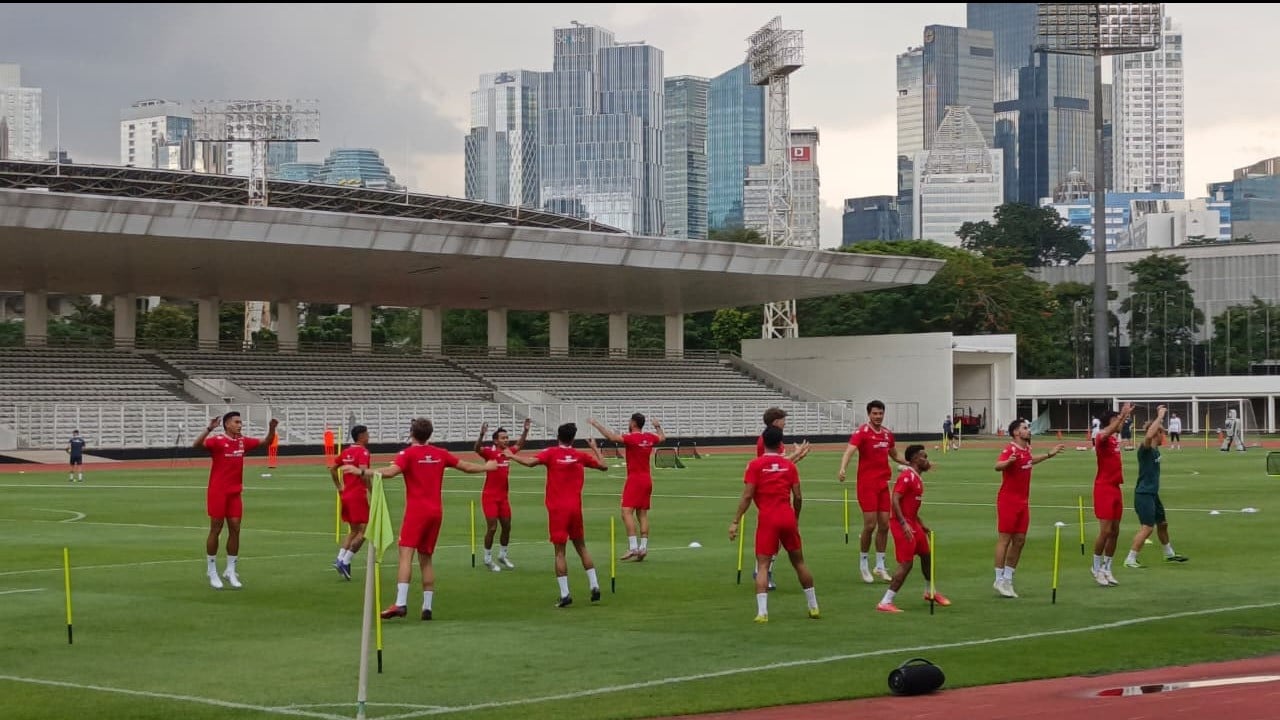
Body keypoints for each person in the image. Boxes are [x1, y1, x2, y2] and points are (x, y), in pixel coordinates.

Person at [344, 418, 496, 621]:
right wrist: (487, 467)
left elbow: (389, 472)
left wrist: (362, 471)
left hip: (416, 512)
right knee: (426, 559)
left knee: (405, 555)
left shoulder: (407, 454)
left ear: (411, 433)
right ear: (430, 434)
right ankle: (427, 607)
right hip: (436, 512)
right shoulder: (440, 453)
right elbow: (466, 466)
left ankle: (400, 603)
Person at [507, 422, 608, 608]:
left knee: (560, 552)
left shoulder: (551, 453)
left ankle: (565, 594)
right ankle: (594, 585)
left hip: (557, 510)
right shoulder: (579, 455)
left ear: (558, 437)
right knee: (582, 547)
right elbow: (604, 466)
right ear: (573, 438)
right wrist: (594, 447)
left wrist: (512, 455)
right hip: (575, 508)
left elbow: (530, 463)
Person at [728, 426, 820, 623]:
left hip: (768, 518)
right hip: (787, 516)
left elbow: (747, 496)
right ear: (780, 444)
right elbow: (798, 496)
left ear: (764, 443)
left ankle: (762, 612)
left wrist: (735, 521)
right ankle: (813, 607)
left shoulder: (755, 465)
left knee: (763, 565)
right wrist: (796, 517)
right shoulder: (789, 466)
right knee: (799, 563)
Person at [193, 412, 279, 590]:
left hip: (234, 492)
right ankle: (211, 570)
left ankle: (231, 569)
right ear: (227, 424)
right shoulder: (217, 441)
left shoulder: (242, 442)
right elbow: (196, 445)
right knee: (216, 528)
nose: (240, 425)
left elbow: (266, 442)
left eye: (241, 422)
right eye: (237, 422)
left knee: (235, 528)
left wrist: (272, 428)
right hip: (218, 492)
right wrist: (209, 428)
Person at [992, 419, 1064, 598]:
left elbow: (1030, 461)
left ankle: (1008, 578)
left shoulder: (1026, 450)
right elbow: (997, 466)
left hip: (1023, 502)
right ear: (1016, 432)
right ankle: (998, 579)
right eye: (1025, 428)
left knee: (1020, 540)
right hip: (1008, 501)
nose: (1028, 430)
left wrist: (1048, 455)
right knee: (1004, 540)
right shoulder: (1010, 449)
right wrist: (1008, 462)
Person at [837, 400, 906, 584]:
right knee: (870, 525)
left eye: (880, 413)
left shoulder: (887, 434)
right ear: (869, 414)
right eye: (875, 413)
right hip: (867, 485)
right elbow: (849, 451)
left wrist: (910, 463)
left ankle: (880, 565)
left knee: (884, 525)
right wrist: (843, 468)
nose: (878, 416)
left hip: (883, 485)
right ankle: (863, 564)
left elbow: (894, 455)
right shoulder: (862, 432)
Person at [877, 444, 950, 613]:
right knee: (906, 563)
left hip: (912, 522)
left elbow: (910, 507)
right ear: (915, 459)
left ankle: (930, 591)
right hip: (901, 524)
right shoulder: (907, 477)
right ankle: (885, 601)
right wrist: (904, 524)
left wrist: (921, 525)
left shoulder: (917, 478)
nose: (927, 460)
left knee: (926, 555)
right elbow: (895, 499)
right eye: (924, 457)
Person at [589, 414, 665, 562]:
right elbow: (662, 438)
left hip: (634, 479)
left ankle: (633, 547)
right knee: (642, 514)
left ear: (634, 423)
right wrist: (657, 426)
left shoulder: (631, 438)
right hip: (647, 479)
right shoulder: (649, 437)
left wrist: (596, 424)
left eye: (630, 421)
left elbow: (611, 437)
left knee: (626, 512)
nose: (628, 423)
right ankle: (643, 548)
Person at [1124, 406, 1190, 568]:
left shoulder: (1156, 451)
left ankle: (1169, 554)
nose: (1164, 436)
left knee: (1163, 524)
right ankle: (1130, 559)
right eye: (1163, 433)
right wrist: (1160, 416)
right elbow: (1148, 435)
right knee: (1147, 528)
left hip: (1153, 494)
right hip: (1144, 494)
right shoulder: (1145, 449)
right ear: (1157, 433)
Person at [754, 407, 810, 590]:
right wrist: (797, 454)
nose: (785, 422)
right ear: (776, 421)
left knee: (776, 536)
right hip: (769, 493)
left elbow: (781, 464)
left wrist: (797, 457)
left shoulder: (776, 439)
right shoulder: (766, 440)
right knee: (773, 535)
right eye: (783, 419)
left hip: (777, 491)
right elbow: (773, 466)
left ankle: (764, 570)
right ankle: (763, 570)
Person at [474, 418, 530, 571]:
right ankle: (487, 558)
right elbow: (477, 449)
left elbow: (519, 445)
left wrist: (525, 431)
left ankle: (502, 555)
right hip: (489, 496)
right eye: (503, 438)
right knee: (492, 528)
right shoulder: (490, 453)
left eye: (507, 437)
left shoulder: (508, 453)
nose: (506, 440)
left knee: (507, 527)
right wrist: (481, 435)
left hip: (503, 497)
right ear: (495, 440)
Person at [1091, 403, 1134, 587]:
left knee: (1115, 531)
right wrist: (1122, 416)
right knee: (1105, 531)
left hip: (1116, 487)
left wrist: (1123, 416)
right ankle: (1095, 567)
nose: (1120, 423)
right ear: (1109, 421)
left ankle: (1107, 568)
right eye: (1116, 419)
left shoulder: (1115, 440)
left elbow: (1116, 429)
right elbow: (1107, 432)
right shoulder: (1101, 437)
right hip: (1104, 488)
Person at [329, 424, 372, 581]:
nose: (369, 436)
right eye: (367, 434)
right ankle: (345, 561)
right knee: (366, 530)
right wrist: (372, 490)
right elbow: (363, 473)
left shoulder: (346, 452)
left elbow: (333, 468)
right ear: (361, 436)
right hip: (358, 495)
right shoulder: (363, 452)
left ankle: (340, 559)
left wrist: (339, 487)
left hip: (346, 495)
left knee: (354, 531)